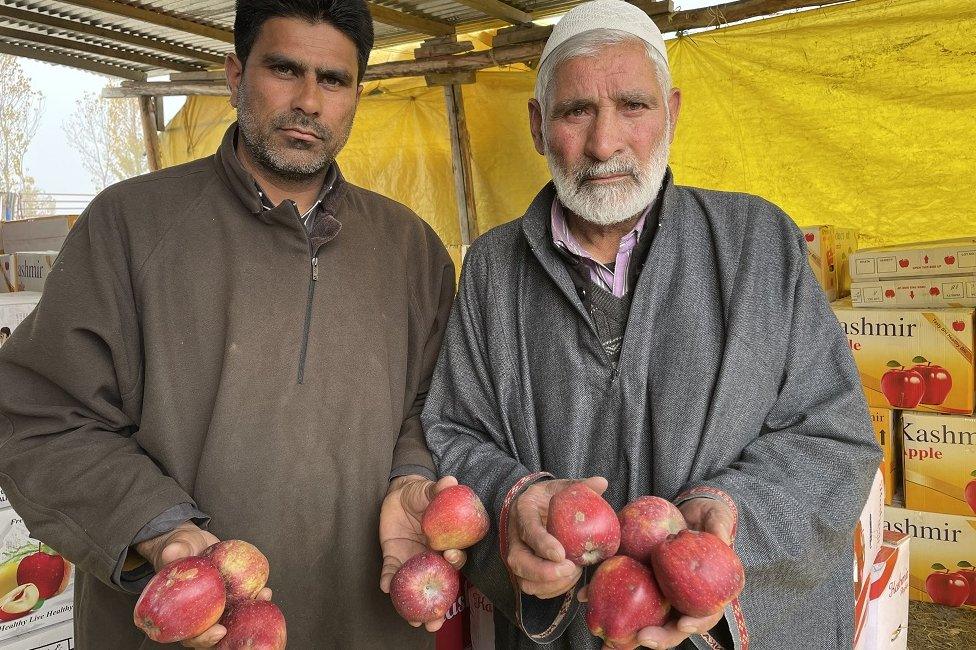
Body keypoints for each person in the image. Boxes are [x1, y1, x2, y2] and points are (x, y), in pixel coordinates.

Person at [422, 1, 882, 649]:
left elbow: (834, 437)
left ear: (672, 111)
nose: (605, 143)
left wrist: (728, 518)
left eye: (633, 106)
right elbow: (453, 430)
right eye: (576, 110)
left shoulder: (757, 242)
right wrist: (517, 502)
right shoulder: (493, 268)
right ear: (536, 124)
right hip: (574, 631)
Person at [0, 0, 459, 647]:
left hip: (365, 620)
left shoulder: (411, 248)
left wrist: (412, 473)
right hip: (180, 627)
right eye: (284, 69)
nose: (308, 100)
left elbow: (434, 403)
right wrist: (157, 528)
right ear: (235, 74)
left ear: (358, 93)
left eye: (333, 80)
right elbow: (40, 415)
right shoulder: (129, 228)